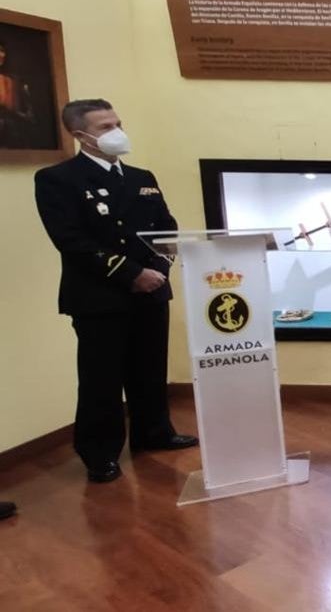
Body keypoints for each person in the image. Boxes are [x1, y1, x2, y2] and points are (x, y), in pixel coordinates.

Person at [34, 99, 198, 484]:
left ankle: (153, 433)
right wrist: (131, 274)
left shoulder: (142, 177)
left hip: (151, 291)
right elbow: (71, 240)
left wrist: (158, 270)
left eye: (117, 123)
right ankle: (100, 453)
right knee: (101, 379)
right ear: (81, 135)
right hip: (99, 297)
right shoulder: (58, 179)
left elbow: (166, 228)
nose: (117, 132)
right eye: (106, 126)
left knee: (149, 369)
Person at [0, 39, 36, 149]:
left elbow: (29, 113)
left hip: (15, 133)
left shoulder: (15, 80)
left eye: (2, 50)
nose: (1, 54)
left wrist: (20, 115)